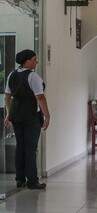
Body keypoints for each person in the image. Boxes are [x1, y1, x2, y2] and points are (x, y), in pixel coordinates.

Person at [4, 49, 50, 190]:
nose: (36, 61)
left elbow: (7, 96)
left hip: (17, 115)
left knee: (20, 147)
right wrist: (47, 115)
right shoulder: (33, 76)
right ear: (27, 61)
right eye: (34, 59)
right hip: (30, 116)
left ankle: (20, 179)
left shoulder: (12, 74)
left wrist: (8, 114)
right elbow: (40, 97)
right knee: (30, 148)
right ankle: (32, 181)